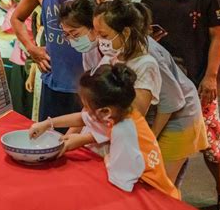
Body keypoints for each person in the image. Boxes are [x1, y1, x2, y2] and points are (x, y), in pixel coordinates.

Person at [58, 0, 208, 184]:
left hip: (177, 115)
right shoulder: (106, 52)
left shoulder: (145, 57)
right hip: (141, 115)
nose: (72, 40)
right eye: (67, 35)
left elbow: (173, 100)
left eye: (75, 33)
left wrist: (149, 138)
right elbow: (95, 101)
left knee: (160, 186)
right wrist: (70, 135)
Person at [141, 0, 220, 210]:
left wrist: (211, 77)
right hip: (164, 86)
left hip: (198, 83)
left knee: (212, 140)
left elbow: (218, 38)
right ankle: (162, 194)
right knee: (165, 140)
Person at [10, 0, 118, 124]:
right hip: (54, 81)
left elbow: (121, 21)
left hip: (92, 84)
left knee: (86, 147)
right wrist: (31, 48)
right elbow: (16, 18)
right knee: (50, 139)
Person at [29, 64, 179, 199]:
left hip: (152, 193)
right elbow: (82, 118)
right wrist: (47, 124)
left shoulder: (123, 131)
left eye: (87, 106)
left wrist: (108, 160)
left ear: (105, 111)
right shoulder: (122, 113)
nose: (85, 111)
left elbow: (122, 183)